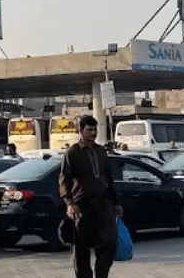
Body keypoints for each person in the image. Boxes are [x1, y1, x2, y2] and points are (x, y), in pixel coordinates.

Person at [59, 116, 122, 278]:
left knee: (109, 245)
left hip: (102, 204)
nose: (93, 133)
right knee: (81, 250)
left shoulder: (101, 151)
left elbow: (108, 178)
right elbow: (64, 179)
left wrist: (115, 203)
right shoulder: (73, 152)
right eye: (89, 129)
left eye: (95, 130)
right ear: (81, 131)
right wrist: (69, 203)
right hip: (82, 205)